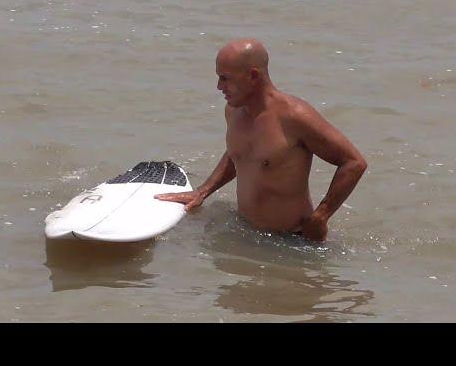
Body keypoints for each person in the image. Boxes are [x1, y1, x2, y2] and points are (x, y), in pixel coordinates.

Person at [154, 38, 367, 241]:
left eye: (225, 78)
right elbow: (239, 153)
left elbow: (354, 162)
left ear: (253, 76)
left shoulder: (294, 117)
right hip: (245, 231)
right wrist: (202, 192)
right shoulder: (234, 111)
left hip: (292, 241)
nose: (219, 87)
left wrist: (321, 216)